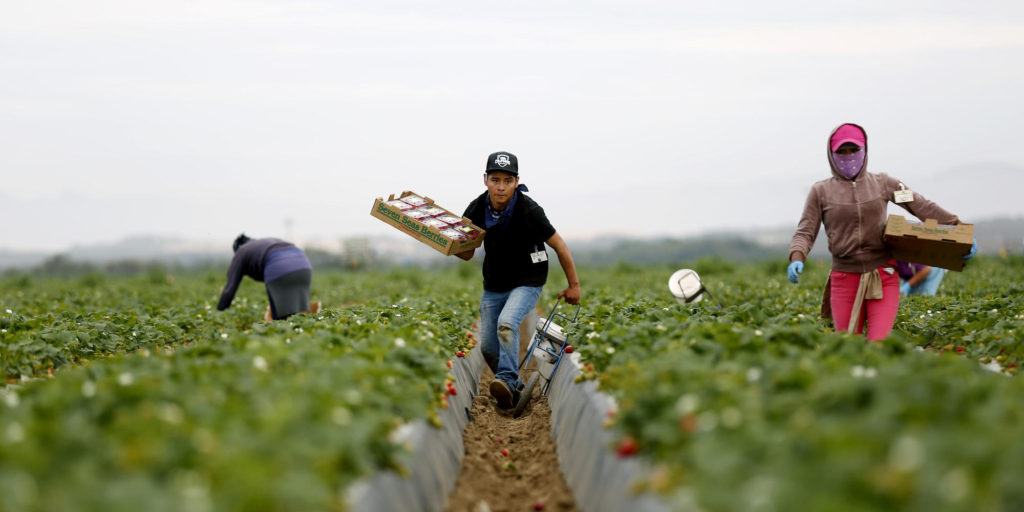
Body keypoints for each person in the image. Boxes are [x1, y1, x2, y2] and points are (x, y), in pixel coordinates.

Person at [787, 123, 976, 341]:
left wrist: (958, 227)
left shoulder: (884, 184)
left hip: (883, 276)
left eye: (854, 150)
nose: (848, 156)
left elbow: (920, 205)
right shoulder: (821, 192)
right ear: (831, 154)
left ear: (865, 150)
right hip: (844, 278)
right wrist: (797, 256)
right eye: (842, 151)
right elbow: (805, 231)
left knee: (880, 344)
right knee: (848, 346)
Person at [456, 151, 581, 409]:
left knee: (507, 323)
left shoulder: (529, 210)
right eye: (495, 179)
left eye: (507, 181)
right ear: (485, 180)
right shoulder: (476, 209)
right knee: (489, 347)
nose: (501, 187)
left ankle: (506, 379)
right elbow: (467, 255)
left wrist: (574, 285)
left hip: (528, 279)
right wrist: (455, 241)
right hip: (494, 283)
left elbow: (559, 245)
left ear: (516, 182)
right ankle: (512, 389)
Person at [217, 234, 313, 321]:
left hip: (280, 267)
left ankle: (284, 337)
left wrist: (219, 314)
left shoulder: (242, 250)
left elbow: (230, 288)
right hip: (304, 266)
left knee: (280, 320)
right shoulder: (266, 242)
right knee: (297, 317)